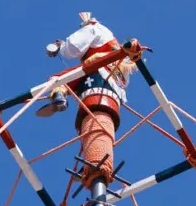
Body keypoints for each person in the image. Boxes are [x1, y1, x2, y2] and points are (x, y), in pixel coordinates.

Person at [38, 13, 136, 188]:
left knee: (57, 80)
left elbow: (73, 46)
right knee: (91, 120)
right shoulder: (120, 52)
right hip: (114, 90)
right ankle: (91, 158)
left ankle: (59, 96)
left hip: (97, 72)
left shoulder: (93, 29)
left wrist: (61, 47)